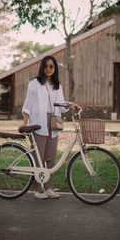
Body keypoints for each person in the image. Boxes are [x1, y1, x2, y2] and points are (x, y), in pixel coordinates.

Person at [22, 55, 78, 199]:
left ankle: (48, 188)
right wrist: (26, 125)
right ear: (42, 67)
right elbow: (27, 105)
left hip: (53, 123)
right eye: (46, 66)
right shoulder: (35, 83)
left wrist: (71, 105)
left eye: (51, 66)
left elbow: (61, 105)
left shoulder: (58, 85)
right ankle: (38, 190)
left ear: (55, 68)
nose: (48, 69)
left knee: (50, 157)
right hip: (38, 122)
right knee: (38, 157)